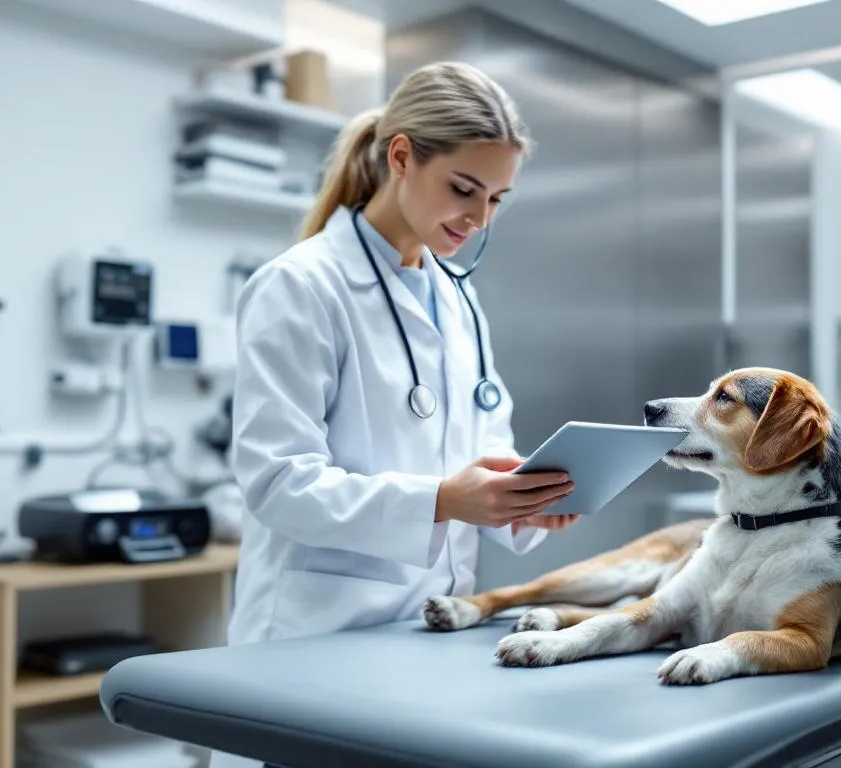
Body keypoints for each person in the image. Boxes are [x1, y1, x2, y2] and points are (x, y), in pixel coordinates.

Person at [213, 62, 581, 767]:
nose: (479, 219)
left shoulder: (460, 300)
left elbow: (484, 456)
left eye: (497, 198)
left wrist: (524, 502)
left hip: (427, 639)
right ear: (402, 156)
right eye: (463, 189)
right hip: (312, 644)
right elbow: (277, 484)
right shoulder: (300, 286)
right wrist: (443, 500)